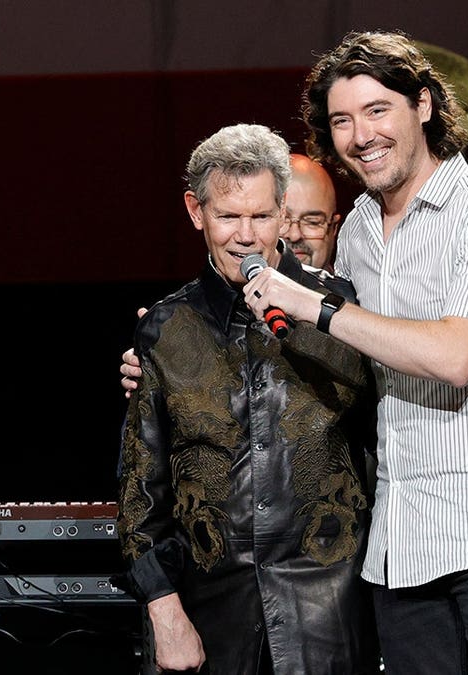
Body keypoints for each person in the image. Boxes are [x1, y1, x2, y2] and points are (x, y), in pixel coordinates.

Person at [241, 31, 468, 674]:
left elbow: (455, 357)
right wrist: (172, 355)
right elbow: (334, 356)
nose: (360, 135)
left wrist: (325, 308)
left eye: (377, 110)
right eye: (342, 119)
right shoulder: (361, 227)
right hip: (402, 542)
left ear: (422, 105)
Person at [116, 122, 379, 674]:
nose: (245, 235)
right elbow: (142, 493)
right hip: (211, 614)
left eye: (260, 216)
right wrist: (165, 614)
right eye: (228, 216)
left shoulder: (344, 312)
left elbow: (398, 434)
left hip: (327, 612)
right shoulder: (167, 329)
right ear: (196, 212)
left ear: (283, 212)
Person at [121, 153, 343, 399]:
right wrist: (161, 350)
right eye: (229, 216)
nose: (292, 233)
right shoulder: (171, 323)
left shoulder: (355, 303)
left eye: (313, 221)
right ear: (198, 212)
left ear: (334, 227)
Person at [283, 152, 343, 272]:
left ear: (334, 229)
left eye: (312, 222)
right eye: (283, 219)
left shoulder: (359, 290)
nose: (294, 235)